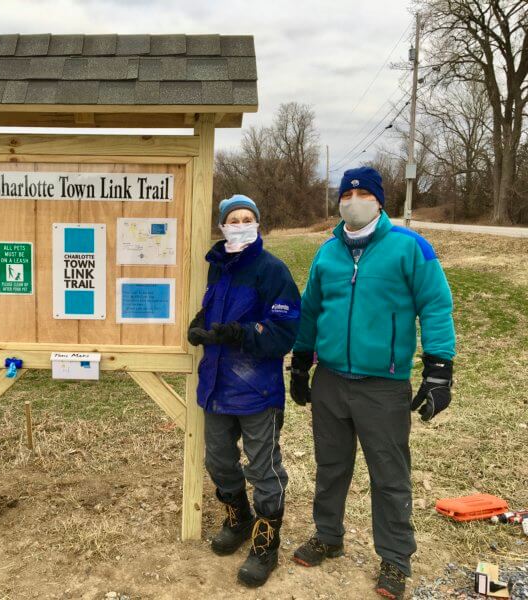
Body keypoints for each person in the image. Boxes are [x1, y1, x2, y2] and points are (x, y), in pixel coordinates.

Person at [289, 167, 456, 600]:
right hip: (330, 380)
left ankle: (396, 558)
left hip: (383, 385)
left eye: (364, 192)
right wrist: (301, 363)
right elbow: (311, 310)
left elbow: (436, 306)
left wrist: (439, 370)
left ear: (380, 201)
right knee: (331, 466)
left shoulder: (410, 248)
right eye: (348, 192)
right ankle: (328, 535)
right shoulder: (327, 253)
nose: (354, 198)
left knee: (389, 475)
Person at [188, 194, 301, 588]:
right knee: (218, 461)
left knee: (263, 467)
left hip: (257, 390)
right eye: (232, 219)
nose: (239, 224)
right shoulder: (216, 269)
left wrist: (240, 333)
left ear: (257, 224)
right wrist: (201, 323)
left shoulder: (272, 270)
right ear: (222, 226)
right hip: (216, 386)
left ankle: (266, 543)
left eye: (246, 218)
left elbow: (285, 331)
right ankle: (239, 518)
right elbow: (215, 311)